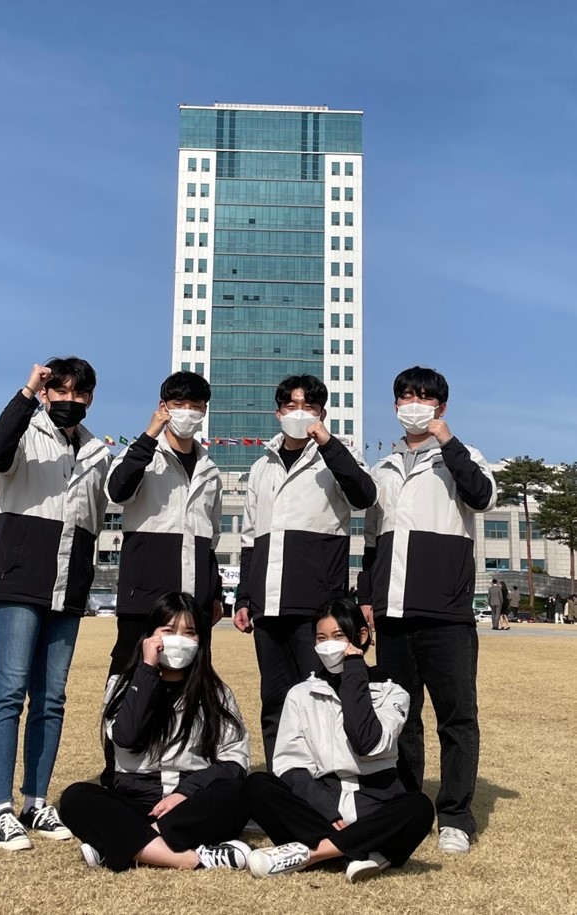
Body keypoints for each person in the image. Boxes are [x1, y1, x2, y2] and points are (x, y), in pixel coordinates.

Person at [358, 366, 497, 855]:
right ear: (395, 404)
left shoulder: (464, 455)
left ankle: (455, 815)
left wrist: (447, 441)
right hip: (393, 613)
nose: (413, 404)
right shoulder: (383, 467)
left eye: (423, 397)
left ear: (441, 405)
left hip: (446, 613)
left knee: (457, 717)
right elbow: (372, 542)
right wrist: (367, 598)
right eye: (405, 396)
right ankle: (406, 805)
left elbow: (482, 497)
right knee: (401, 715)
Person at [0, 358, 111, 850]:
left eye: (79, 393)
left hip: (68, 588)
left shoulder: (97, 451)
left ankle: (35, 801)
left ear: (89, 398)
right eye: (60, 390)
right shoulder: (24, 431)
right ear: (46, 392)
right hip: (19, 580)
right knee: (9, 691)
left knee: (51, 698)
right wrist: (27, 392)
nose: (69, 400)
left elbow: (94, 519)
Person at [233, 374, 376, 767]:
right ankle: (282, 778)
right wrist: (244, 597)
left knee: (320, 697)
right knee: (275, 700)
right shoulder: (261, 466)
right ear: (278, 412)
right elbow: (250, 537)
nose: (299, 413)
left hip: (317, 607)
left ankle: (325, 779)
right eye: (291, 406)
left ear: (322, 414)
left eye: (308, 406)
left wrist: (328, 444)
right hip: (268, 604)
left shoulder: (339, 457)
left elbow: (365, 495)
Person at [244, 598, 433, 882]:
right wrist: (328, 811)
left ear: (362, 636)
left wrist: (354, 669)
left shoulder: (392, 693)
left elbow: (367, 742)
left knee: (419, 808)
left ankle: (313, 854)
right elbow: (290, 764)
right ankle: (366, 851)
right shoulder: (301, 693)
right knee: (257, 785)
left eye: (338, 636)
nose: (328, 645)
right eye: (321, 638)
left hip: (375, 804)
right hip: (322, 807)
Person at [59, 592, 251, 872]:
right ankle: (189, 859)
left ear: (201, 640)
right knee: (75, 798)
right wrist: (147, 670)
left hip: (190, 803)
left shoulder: (216, 693)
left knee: (238, 792)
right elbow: (126, 737)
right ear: (150, 635)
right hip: (138, 802)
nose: (179, 640)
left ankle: (122, 844)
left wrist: (185, 793)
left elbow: (235, 762)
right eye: (168, 631)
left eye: (189, 633)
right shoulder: (121, 685)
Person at [101, 371, 223, 784]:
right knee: (129, 679)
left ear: (204, 411)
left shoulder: (209, 468)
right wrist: (149, 435)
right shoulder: (141, 454)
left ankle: (182, 771)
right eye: (178, 404)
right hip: (144, 598)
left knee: (191, 687)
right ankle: (118, 770)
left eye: (195, 405)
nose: (187, 412)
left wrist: (214, 592)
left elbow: (211, 535)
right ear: (163, 406)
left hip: (193, 602)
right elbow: (117, 491)